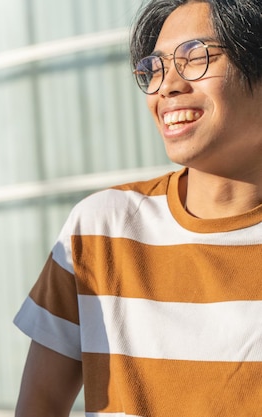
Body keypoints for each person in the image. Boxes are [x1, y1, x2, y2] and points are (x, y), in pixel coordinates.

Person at [14, 0, 262, 416]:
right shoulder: (99, 230)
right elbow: (38, 407)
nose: (167, 86)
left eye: (196, 57)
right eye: (156, 67)